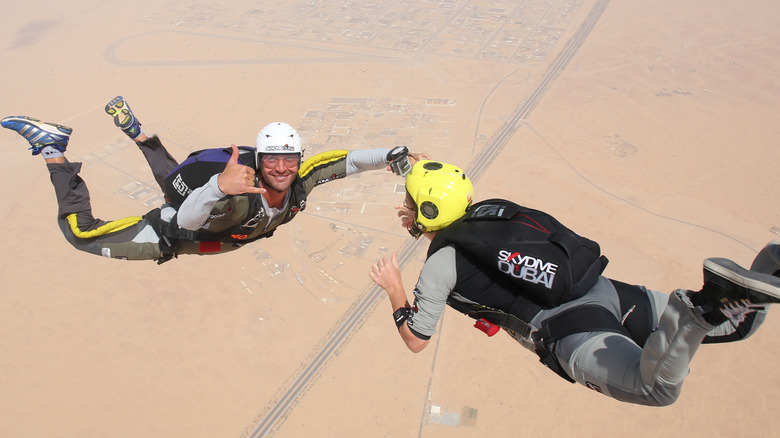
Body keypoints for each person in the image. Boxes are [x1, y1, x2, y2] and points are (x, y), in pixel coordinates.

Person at [369, 159, 780, 406]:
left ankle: (698, 311)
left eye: (409, 202)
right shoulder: (485, 215)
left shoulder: (440, 266)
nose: (403, 208)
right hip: (606, 290)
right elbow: (439, 184)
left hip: (571, 328)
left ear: (425, 210)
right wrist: (412, 172)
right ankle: (773, 261)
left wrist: (395, 290)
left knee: (654, 387)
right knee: (737, 325)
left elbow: (416, 339)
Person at [1, 96, 424, 263]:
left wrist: (391, 157)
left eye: (289, 160)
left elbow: (344, 162)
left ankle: (138, 132)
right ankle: (53, 150)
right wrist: (219, 188)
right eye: (272, 161)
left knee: (174, 180)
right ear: (259, 163)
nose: (281, 169)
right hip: (168, 234)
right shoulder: (238, 196)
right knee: (80, 234)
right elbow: (186, 220)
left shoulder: (299, 180)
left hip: (212, 225)